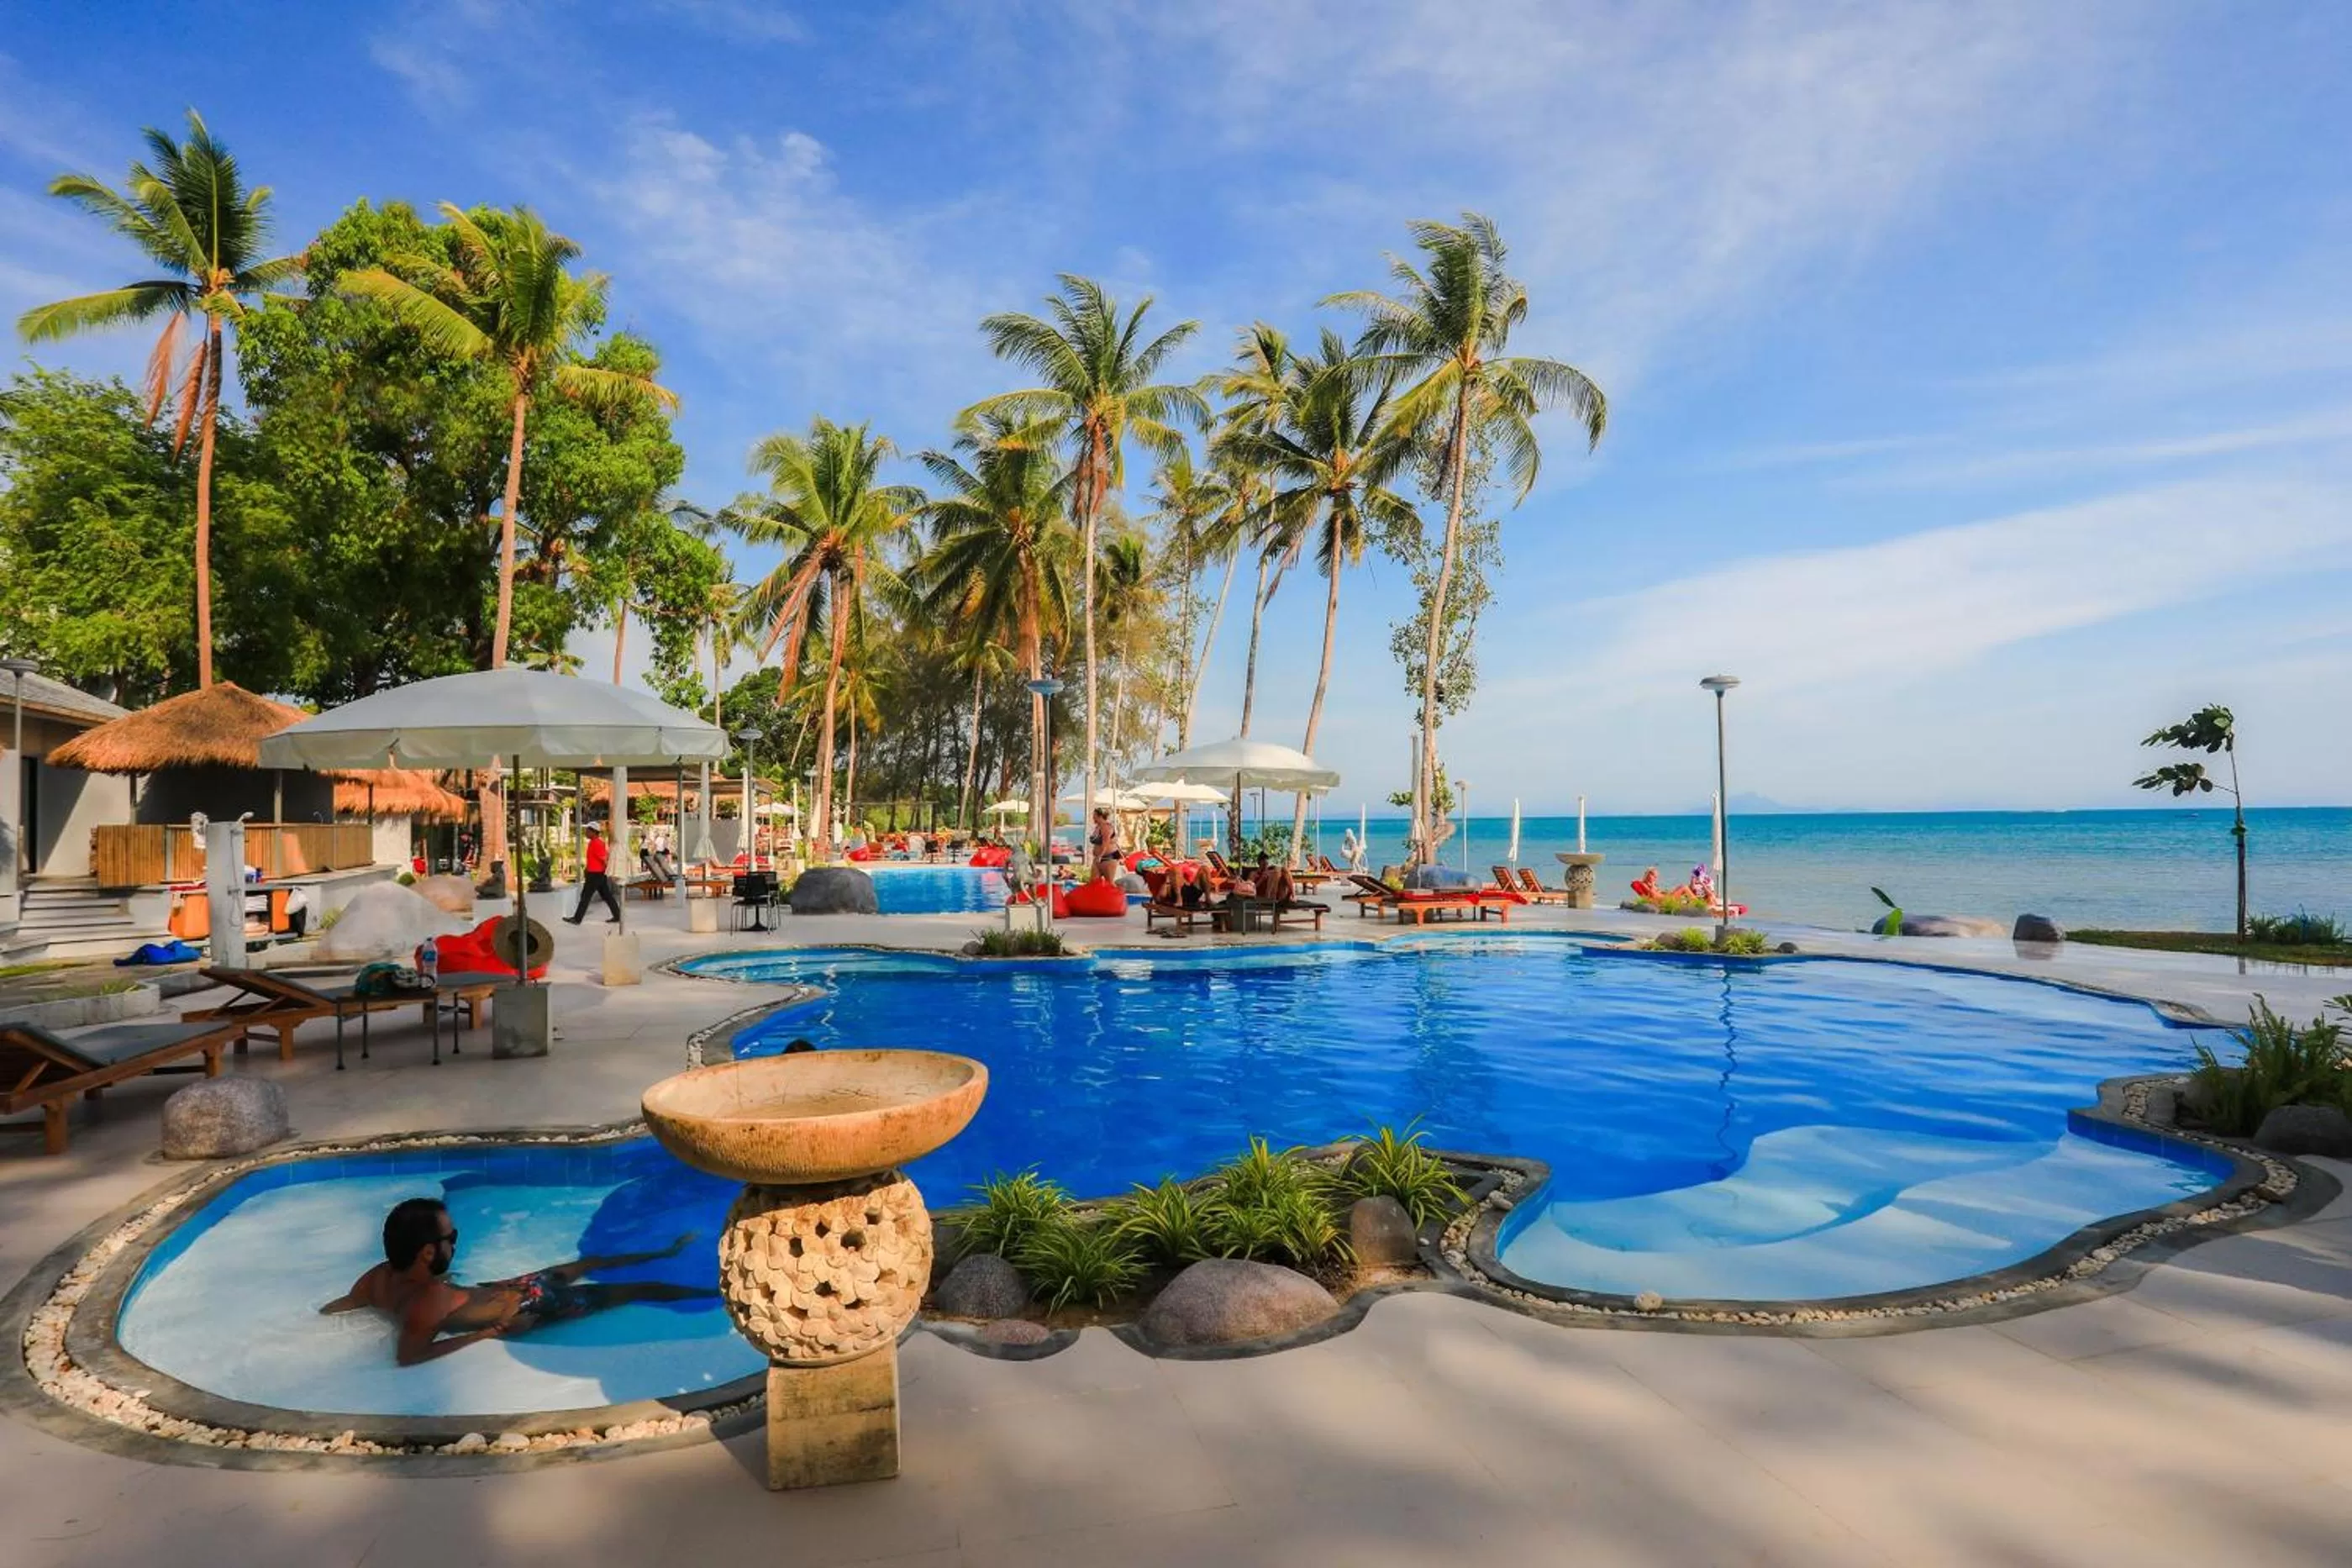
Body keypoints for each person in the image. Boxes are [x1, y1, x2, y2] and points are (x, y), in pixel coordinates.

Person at [319, 1198, 712, 1366]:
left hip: (506, 1288)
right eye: (450, 1239)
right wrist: (486, 1333)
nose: (455, 1244)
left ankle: (666, 1252)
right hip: (531, 1308)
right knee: (640, 1289)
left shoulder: (377, 1277)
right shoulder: (427, 1303)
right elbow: (410, 1357)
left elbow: (342, 1305)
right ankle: (715, 1294)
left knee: (587, 1262)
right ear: (426, 1253)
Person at [565, 823, 621, 924]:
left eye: (587, 831)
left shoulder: (597, 843)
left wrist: (612, 872)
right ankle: (617, 916)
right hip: (597, 874)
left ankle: (577, 919)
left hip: (595, 875)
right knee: (607, 896)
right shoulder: (594, 842)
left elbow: (604, 859)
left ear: (594, 832)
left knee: (585, 897)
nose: (586, 833)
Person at [1088, 807, 1121, 881]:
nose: (1093, 817)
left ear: (1100, 816)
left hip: (1108, 857)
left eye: (1094, 815)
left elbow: (1105, 843)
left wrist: (1100, 856)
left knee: (1109, 883)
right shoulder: (1098, 827)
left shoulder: (1106, 827)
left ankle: (1117, 893)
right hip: (1098, 858)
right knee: (1093, 883)